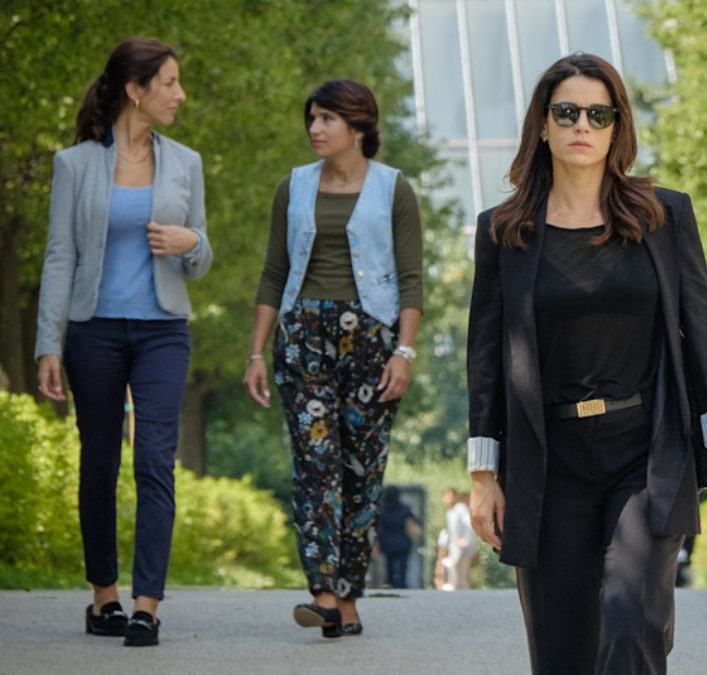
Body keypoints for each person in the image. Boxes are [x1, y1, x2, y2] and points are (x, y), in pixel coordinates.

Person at [466, 53, 707, 674]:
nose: (582, 125)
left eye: (599, 114)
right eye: (567, 112)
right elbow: (485, 361)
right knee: (563, 651)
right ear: (543, 125)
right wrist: (484, 474)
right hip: (549, 462)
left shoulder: (662, 216)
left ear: (617, 127)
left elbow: (703, 327)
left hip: (644, 450)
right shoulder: (504, 232)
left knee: (629, 620)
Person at [34, 37, 210, 648]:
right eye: (169, 83)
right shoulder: (74, 164)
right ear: (136, 90)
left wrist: (192, 243)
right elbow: (60, 256)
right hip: (94, 332)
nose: (180, 94)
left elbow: (200, 256)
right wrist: (48, 343)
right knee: (100, 464)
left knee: (155, 461)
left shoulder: (186, 162)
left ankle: (146, 606)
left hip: (163, 331)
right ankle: (104, 597)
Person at [243, 79, 423, 639]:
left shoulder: (394, 188)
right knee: (314, 466)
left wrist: (404, 351)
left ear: (358, 126)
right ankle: (323, 594)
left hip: (371, 340)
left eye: (327, 119)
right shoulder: (293, 186)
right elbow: (274, 272)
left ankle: (348, 597)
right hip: (303, 338)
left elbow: (411, 279)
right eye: (312, 118)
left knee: (361, 470)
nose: (314, 128)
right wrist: (255, 351)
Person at [375, 485, 419, 588]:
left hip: (387, 541)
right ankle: (402, 583)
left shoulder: (382, 510)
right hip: (403, 541)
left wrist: (378, 542)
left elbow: (379, 527)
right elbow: (413, 521)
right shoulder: (405, 508)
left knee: (389, 565)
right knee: (403, 565)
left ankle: (391, 582)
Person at [439, 488, 478, 590]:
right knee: (454, 573)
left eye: (451, 496)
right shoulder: (451, 511)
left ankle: (462, 594)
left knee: (460, 574)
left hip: (462, 547)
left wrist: (465, 539)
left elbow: (469, 523)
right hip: (454, 547)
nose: (448, 499)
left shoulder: (460, 508)